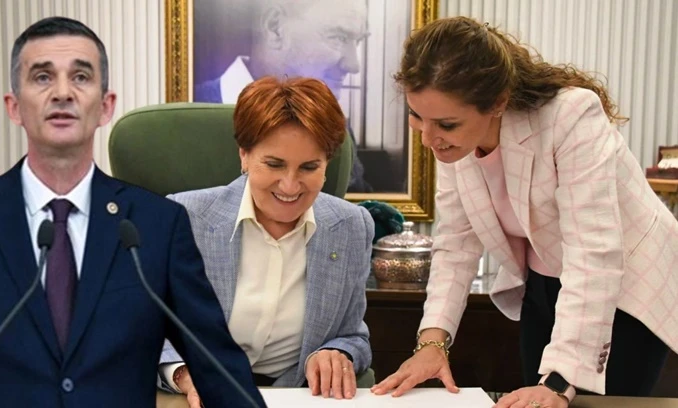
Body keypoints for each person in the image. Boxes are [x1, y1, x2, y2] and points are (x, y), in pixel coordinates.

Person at [0, 16, 265, 407]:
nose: (62, 93)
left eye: (81, 77)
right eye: (43, 77)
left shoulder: (157, 226)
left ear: (105, 106)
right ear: (14, 107)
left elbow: (220, 370)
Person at [370, 16, 678, 408]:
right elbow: (456, 245)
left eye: (446, 123)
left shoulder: (571, 116)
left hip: (624, 287)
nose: (429, 139)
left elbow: (593, 253)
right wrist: (432, 342)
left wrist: (559, 381)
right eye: (417, 118)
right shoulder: (452, 142)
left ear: (498, 102)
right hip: (542, 282)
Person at [158, 76, 374, 407]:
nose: (290, 186)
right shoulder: (180, 218)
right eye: (274, 164)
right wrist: (186, 374)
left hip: (297, 396)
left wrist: (337, 351)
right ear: (244, 155)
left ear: (327, 164)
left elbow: (353, 334)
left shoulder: (352, 226)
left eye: (309, 167)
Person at [195, 0, 373, 193]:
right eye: (338, 38)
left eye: (358, 41)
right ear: (275, 28)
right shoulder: (187, 118)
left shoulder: (336, 124)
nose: (353, 65)